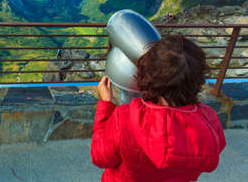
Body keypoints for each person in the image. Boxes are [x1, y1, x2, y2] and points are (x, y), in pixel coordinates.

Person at [91, 35, 226, 182]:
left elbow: (100, 158)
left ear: (147, 73)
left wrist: (105, 104)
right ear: (198, 79)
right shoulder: (209, 121)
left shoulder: (124, 118)